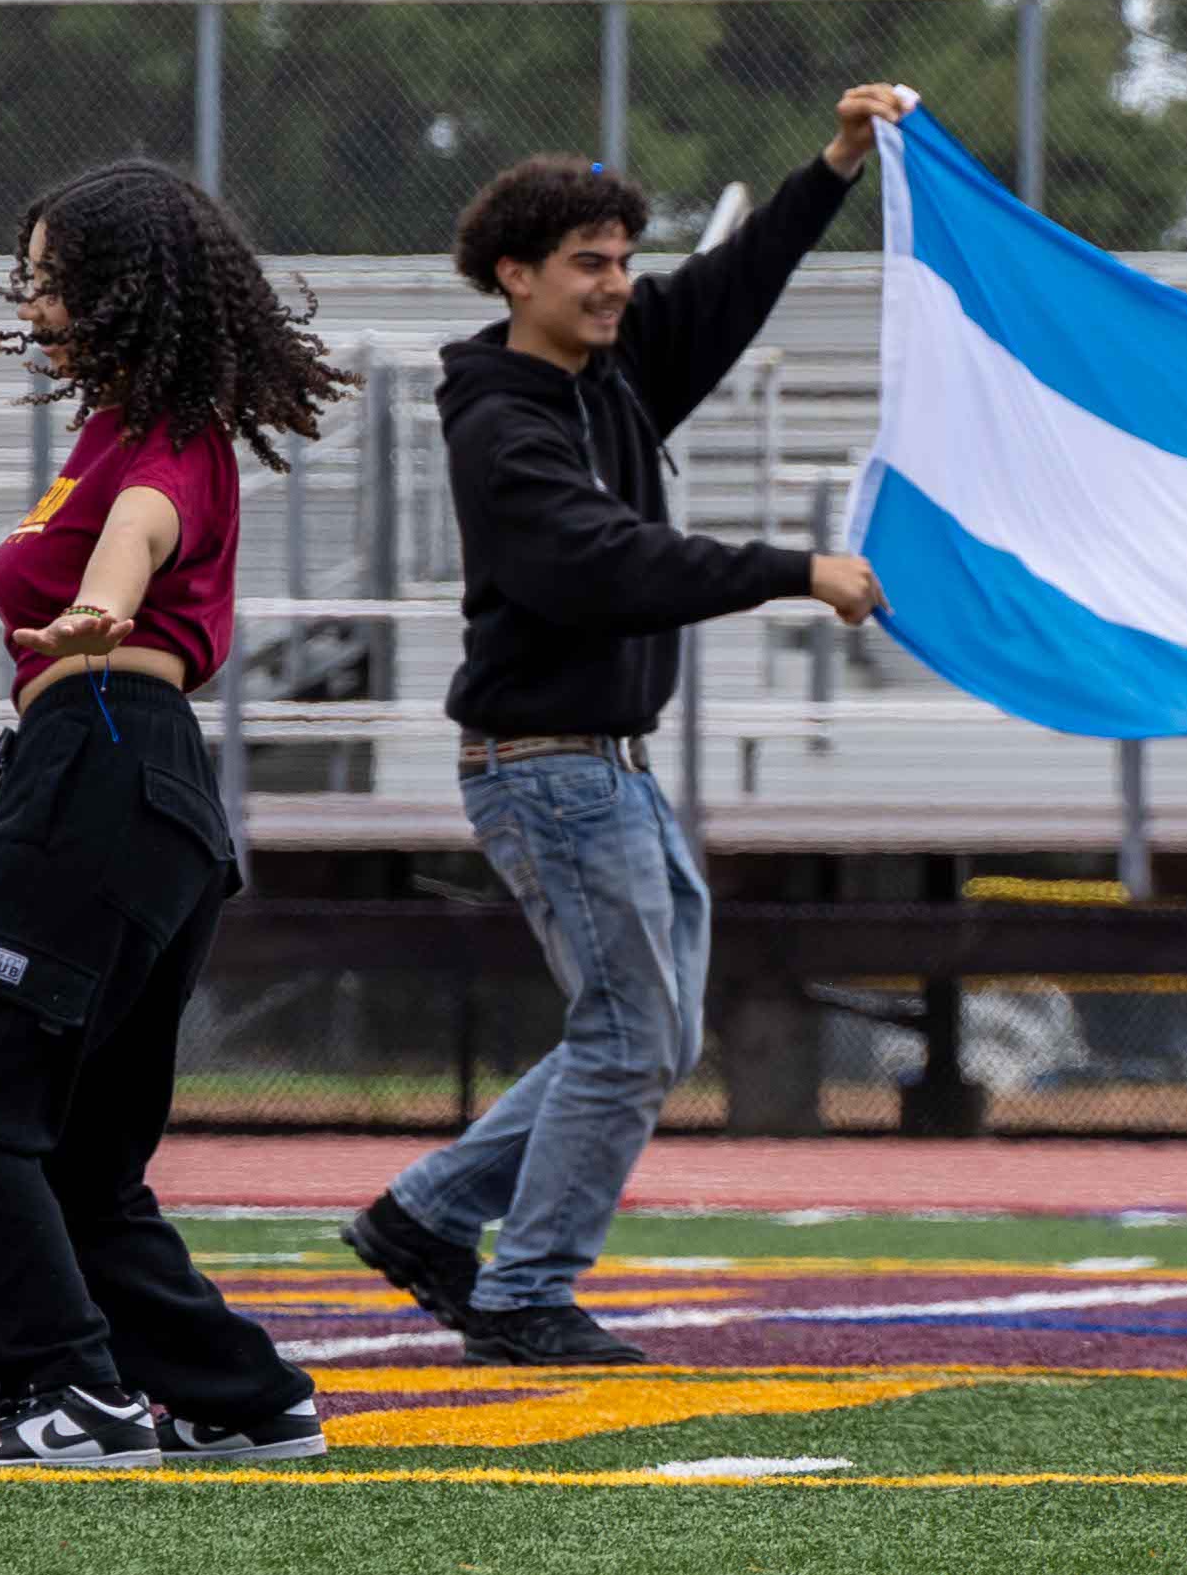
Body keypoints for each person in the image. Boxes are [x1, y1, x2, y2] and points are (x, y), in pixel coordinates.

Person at [341, 83, 910, 1367]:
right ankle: (526, 1286)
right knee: (631, 1034)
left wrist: (833, 165)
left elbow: (732, 282)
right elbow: (603, 563)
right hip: (550, 768)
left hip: (606, 766)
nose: (615, 285)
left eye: (623, 263)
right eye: (588, 265)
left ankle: (423, 1215)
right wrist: (790, 568)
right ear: (515, 274)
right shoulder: (503, 423)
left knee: (644, 1032)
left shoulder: (611, 369)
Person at [0, 158, 352, 1467]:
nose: (31, 307)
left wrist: (105, 597)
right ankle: (237, 1396)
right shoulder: (135, 430)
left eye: (48, 282)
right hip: (140, 787)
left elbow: (143, 528)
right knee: (80, 1154)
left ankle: (62, 1396)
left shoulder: (159, 445)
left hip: (100, 759)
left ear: (117, 292)